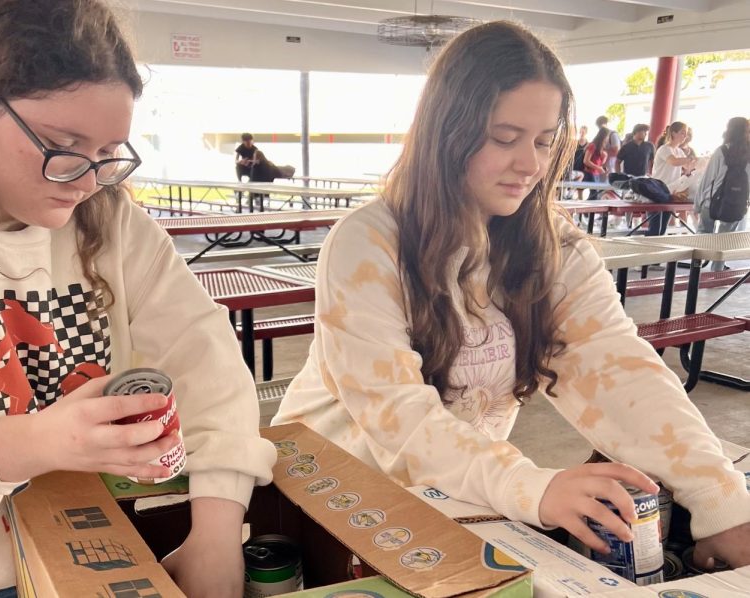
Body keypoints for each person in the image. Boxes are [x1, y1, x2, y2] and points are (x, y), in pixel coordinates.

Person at [272, 21, 750, 571]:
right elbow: (396, 416)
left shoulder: (553, 248)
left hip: (454, 500)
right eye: (504, 138)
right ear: (445, 132)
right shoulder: (368, 242)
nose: (530, 164)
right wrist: (530, 487)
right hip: (326, 494)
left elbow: (619, 368)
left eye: (545, 141)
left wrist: (721, 501)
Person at [0, 2, 275, 597]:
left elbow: (208, 366)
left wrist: (216, 530)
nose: (84, 180)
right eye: (62, 144)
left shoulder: (110, 218)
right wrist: (39, 441)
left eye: (108, 154)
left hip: (93, 547)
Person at [695, 117, 750, 271]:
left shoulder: (722, 150)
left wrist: (698, 203)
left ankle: (696, 267)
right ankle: (717, 271)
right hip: (735, 203)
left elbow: (707, 179)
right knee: (724, 239)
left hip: (711, 201)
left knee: (703, 232)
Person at [649, 121, 697, 235]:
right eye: (682, 133)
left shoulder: (679, 151)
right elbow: (674, 162)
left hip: (670, 191)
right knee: (655, 229)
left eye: (686, 133)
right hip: (657, 190)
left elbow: (687, 167)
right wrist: (691, 159)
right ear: (673, 133)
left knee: (663, 228)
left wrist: (700, 162)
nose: (685, 136)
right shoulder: (664, 149)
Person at [582, 126, 610, 199]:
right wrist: (598, 168)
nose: (608, 138)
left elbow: (599, 163)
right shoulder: (593, 145)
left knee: (594, 195)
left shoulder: (600, 147)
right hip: (590, 173)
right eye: (607, 136)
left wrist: (604, 157)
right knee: (594, 195)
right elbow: (586, 161)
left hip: (595, 173)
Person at [596, 115, 621, 180]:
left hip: (610, 163)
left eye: (601, 125)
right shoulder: (600, 134)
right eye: (598, 125)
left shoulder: (612, 134)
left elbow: (617, 151)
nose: (599, 127)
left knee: (608, 182)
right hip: (602, 163)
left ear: (606, 124)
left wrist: (604, 152)